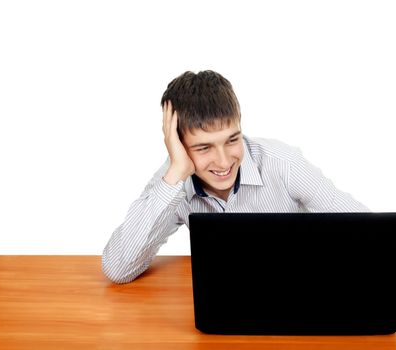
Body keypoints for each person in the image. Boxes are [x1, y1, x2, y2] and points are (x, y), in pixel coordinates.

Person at [102, 70, 368, 284]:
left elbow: (368, 232)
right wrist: (175, 175)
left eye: (232, 140)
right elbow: (118, 269)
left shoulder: (283, 163)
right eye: (203, 147)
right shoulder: (173, 181)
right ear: (179, 145)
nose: (223, 161)